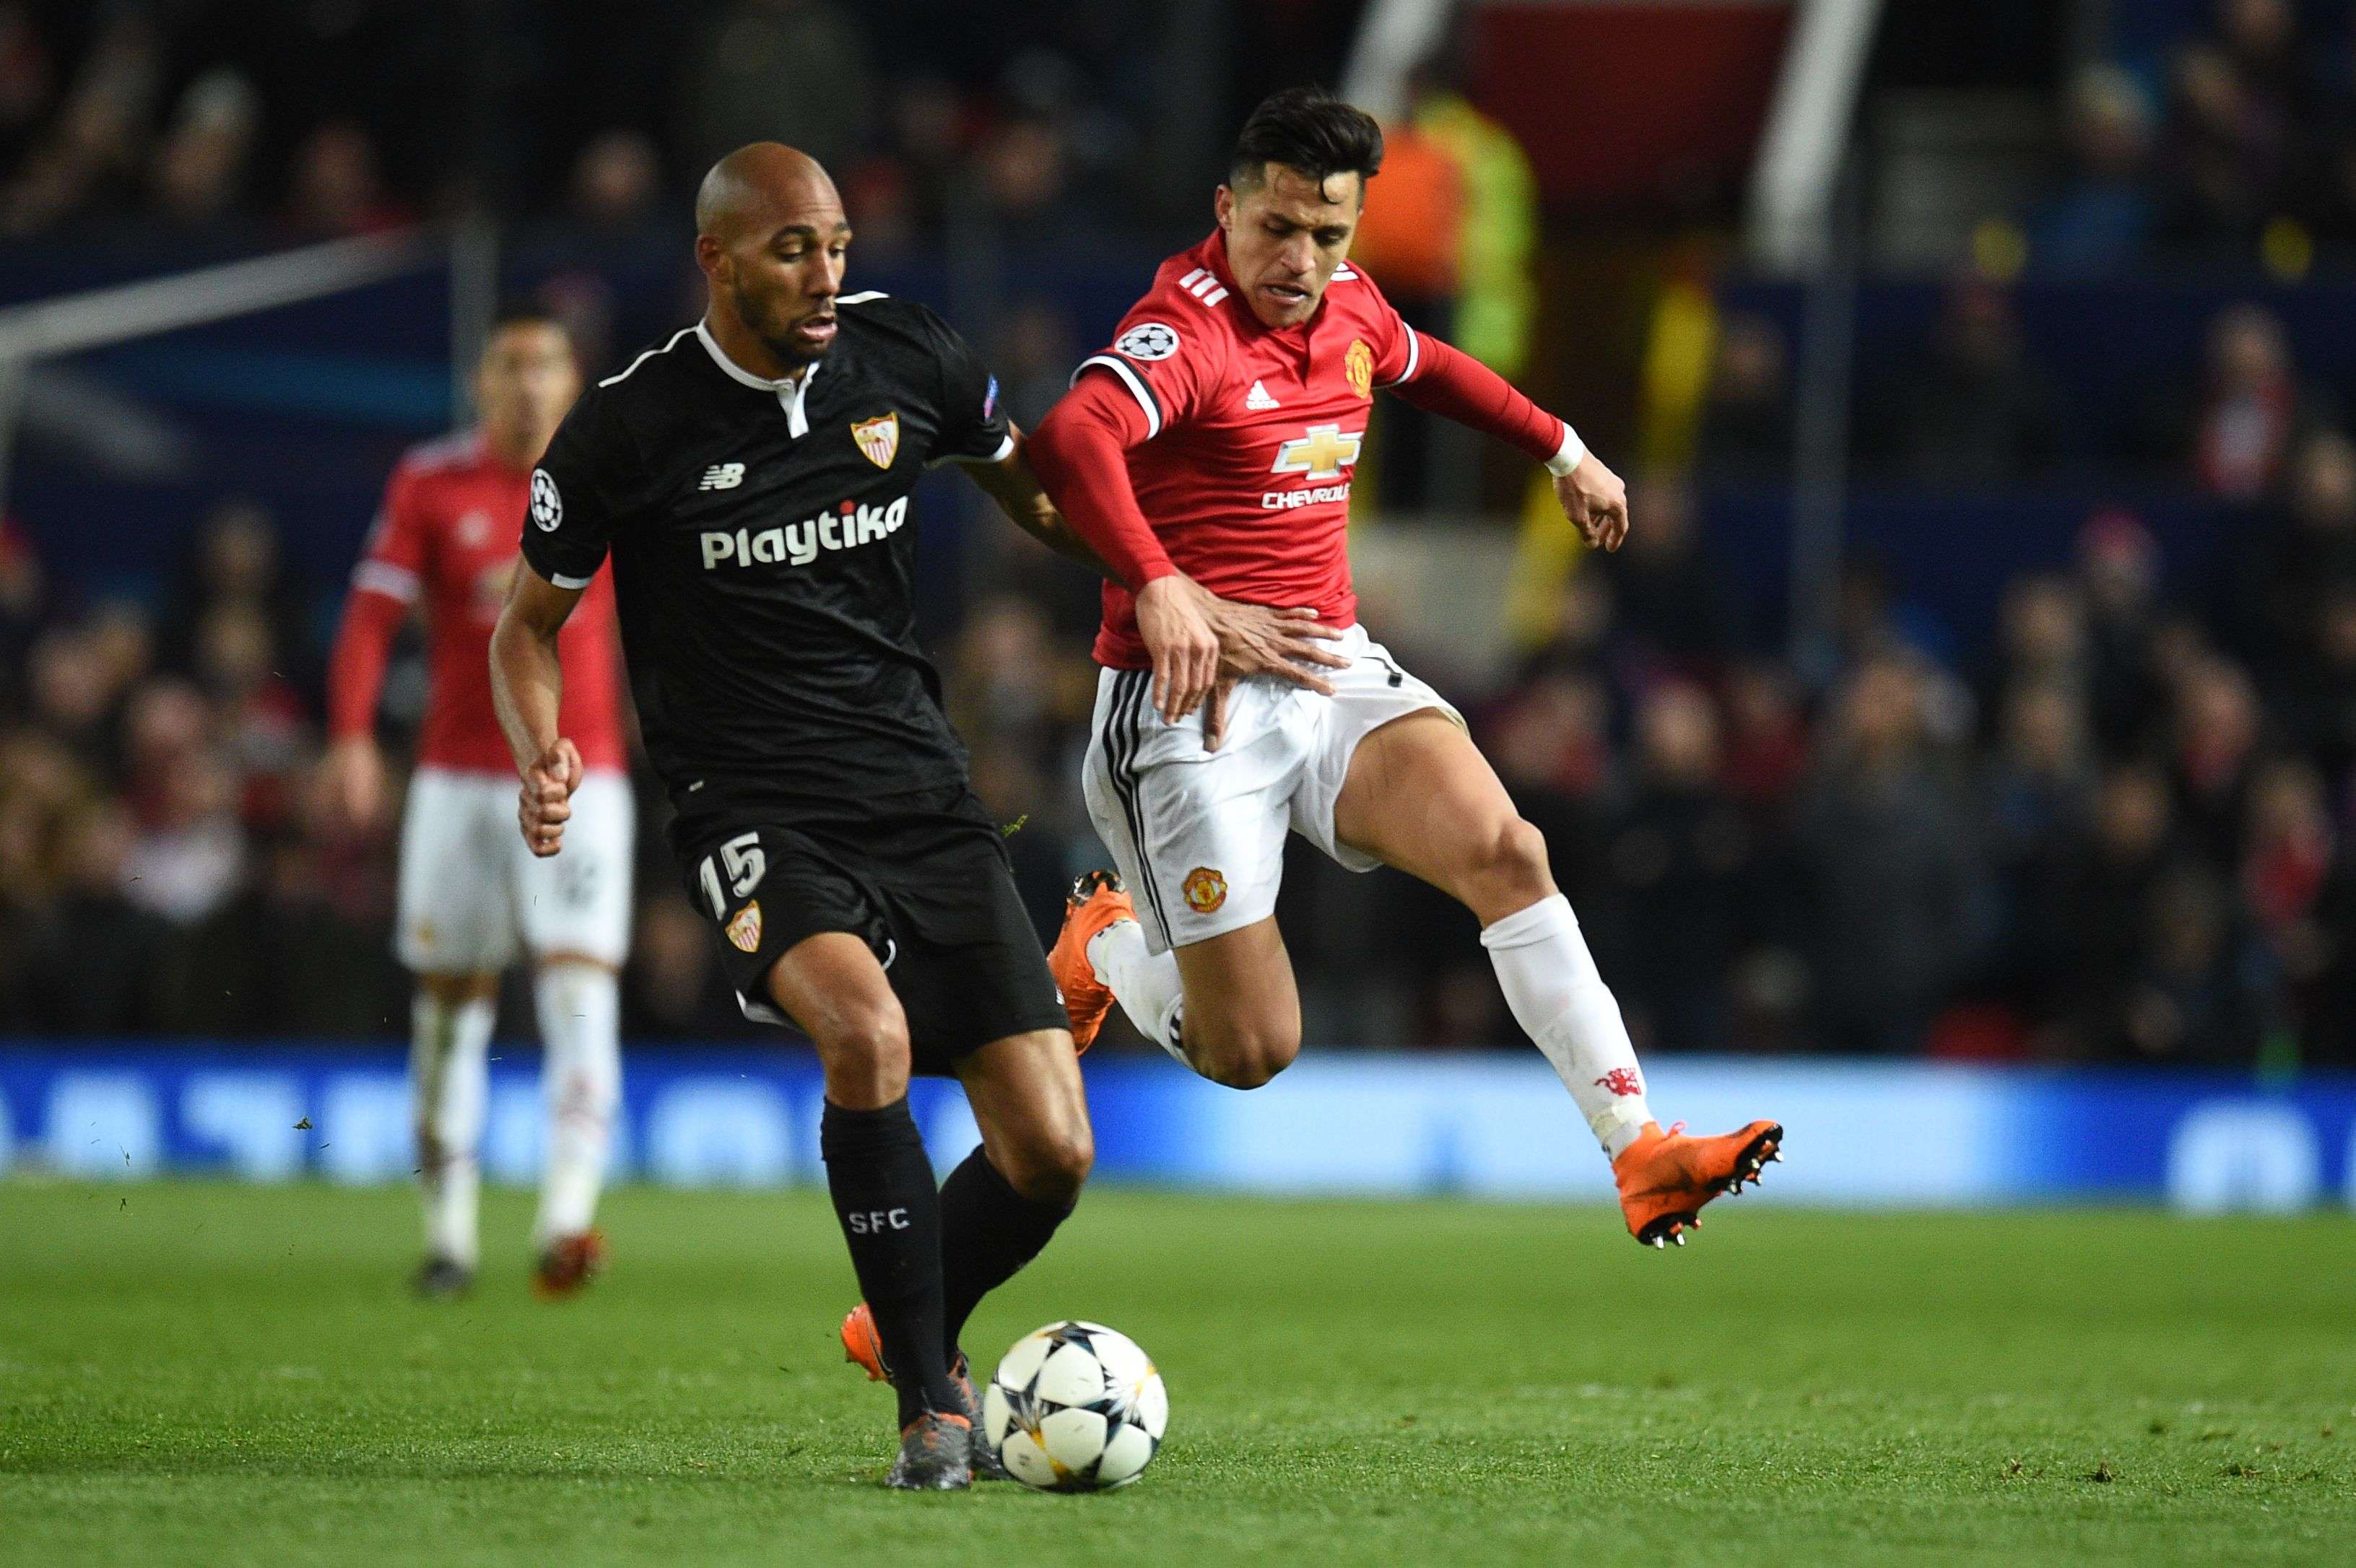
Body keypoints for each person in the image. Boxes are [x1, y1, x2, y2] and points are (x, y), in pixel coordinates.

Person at [489, 143, 1339, 1488]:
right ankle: (931, 1405)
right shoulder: (628, 427)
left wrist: (1181, 586)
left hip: (918, 788)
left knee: (1054, 1151)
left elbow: (1044, 502)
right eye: (792, 250)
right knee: (866, 1033)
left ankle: (901, 1333)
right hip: (749, 800)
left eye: (837, 244)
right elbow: (526, 629)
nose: (827, 274)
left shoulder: (909, 360)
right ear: (715, 259)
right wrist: (543, 748)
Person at [1025, 87, 1779, 1249]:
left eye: (1329, 235)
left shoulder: (1352, 309)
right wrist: (1165, 584)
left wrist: (1564, 450)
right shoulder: (1188, 332)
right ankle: (1109, 946)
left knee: (1508, 849)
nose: (1301, 259)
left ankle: (1641, 1153)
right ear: (1226, 211)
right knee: (1252, 1051)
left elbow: (1432, 369)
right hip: (1189, 713)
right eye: (1277, 227)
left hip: (1330, 670)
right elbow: (1074, 437)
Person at [321, 303, 632, 1301]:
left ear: (573, 381)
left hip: (585, 775)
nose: (530, 383)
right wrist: (352, 737)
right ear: (482, 384)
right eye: (510, 365)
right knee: (451, 1014)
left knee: (581, 994)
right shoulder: (431, 481)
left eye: (546, 364)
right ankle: (449, 1238)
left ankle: (566, 1223)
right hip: (456, 781)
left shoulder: (613, 473)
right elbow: (370, 620)